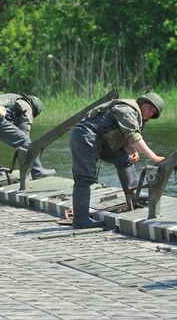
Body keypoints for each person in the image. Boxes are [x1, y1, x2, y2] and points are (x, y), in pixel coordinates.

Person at [70, 92, 165, 229]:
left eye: (154, 112)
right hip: (86, 136)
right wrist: (154, 158)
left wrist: (132, 151)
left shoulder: (137, 117)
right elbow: (133, 135)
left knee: (123, 158)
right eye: (150, 109)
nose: (151, 114)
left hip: (101, 140)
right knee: (84, 177)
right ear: (143, 103)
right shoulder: (128, 110)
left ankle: (133, 195)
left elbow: (122, 136)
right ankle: (81, 220)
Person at [0, 93, 56, 200]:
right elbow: (24, 136)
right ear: (34, 109)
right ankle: (38, 171)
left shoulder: (12, 99)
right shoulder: (26, 105)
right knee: (25, 140)